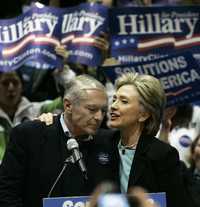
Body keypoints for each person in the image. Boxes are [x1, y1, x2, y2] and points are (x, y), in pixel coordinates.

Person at [0, 74, 115, 207]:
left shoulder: (108, 141)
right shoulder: (29, 135)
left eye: (103, 110)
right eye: (92, 109)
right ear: (68, 106)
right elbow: (7, 193)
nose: (99, 117)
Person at [107, 72, 194, 207]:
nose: (113, 106)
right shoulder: (102, 143)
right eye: (114, 99)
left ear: (143, 115)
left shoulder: (162, 154)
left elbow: (177, 202)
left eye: (123, 101)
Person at [0, 71, 55, 162]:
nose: (10, 87)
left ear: (22, 86)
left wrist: (63, 74)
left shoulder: (38, 110)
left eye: (15, 82)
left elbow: (66, 102)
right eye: (5, 83)